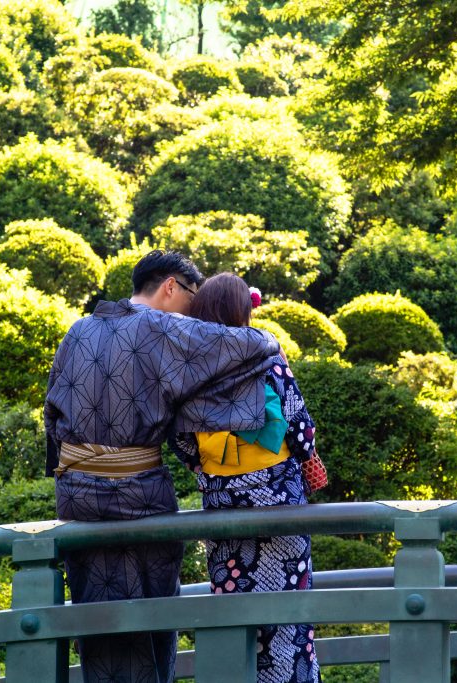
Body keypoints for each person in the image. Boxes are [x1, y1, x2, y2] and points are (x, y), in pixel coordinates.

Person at [44, 252, 281, 683]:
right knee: (153, 622)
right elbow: (254, 346)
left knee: (98, 621)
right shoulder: (162, 326)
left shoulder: (77, 330)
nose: (195, 310)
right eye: (192, 296)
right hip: (138, 497)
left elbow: (52, 414)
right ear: (171, 286)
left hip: (76, 496)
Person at [170, 273, 322, 683]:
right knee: (289, 615)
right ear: (244, 311)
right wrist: (308, 464)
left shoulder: (190, 369)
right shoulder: (267, 355)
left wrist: (209, 469)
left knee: (233, 614)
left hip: (223, 501)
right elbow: (299, 425)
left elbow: (181, 440)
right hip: (278, 497)